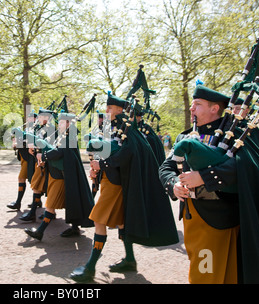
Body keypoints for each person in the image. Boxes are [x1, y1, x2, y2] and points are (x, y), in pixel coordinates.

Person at [159, 84, 259, 284]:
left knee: (210, 276)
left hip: (222, 216)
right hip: (193, 216)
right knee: (207, 274)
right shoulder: (185, 135)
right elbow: (167, 166)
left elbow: (245, 166)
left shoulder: (237, 134)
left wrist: (205, 176)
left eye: (197, 104)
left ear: (214, 108)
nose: (191, 109)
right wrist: (173, 183)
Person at [70, 93, 179, 282]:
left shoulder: (127, 127)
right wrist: (98, 166)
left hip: (116, 183)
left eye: (110, 108)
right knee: (121, 222)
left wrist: (102, 164)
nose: (106, 111)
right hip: (111, 179)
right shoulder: (116, 126)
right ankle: (130, 259)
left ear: (120, 110)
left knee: (99, 220)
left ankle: (90, 268)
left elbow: (127, 153)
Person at [24, 112, 94, 241]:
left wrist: (44, 156)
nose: (59, 124)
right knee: (71, 202)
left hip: (61, 176)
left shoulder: (70, 137)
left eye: (62, 122)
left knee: (50, 205)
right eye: (60, 122)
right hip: (57, 174)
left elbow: (59, 152)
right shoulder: (63, 136)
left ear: (68, 124)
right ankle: (74, 228)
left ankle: (40, 232)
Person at [19, 109, 53, 222]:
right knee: (38, 186)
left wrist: (38, 150)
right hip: (39, 161)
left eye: (40, 116)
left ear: (46, 117)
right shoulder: (40, 128)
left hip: (46, 162)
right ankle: (45, 212)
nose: (38, 118)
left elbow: (48, 145)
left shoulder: (51, 129)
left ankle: (34, 212)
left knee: (39, 186)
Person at [7, 112, 37, 211]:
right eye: (29, 118)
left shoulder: (36, 130)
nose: (29, 120)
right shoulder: (27, 129)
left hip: (30, 158)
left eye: (32, 118)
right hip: (24, 157)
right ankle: (37, 201)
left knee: (23, 178)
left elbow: (31, 141)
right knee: (32, 180)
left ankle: (18, 202)